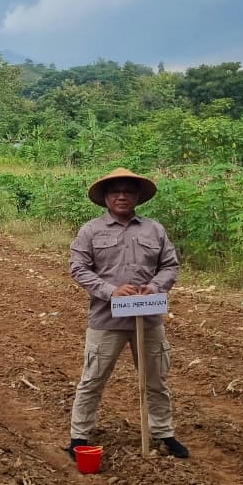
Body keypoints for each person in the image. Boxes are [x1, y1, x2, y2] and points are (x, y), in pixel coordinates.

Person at [67, 168, 189, 459]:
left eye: (128, 191)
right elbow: (78, 268)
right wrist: (110, 291)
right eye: (115, 191)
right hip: (106, 319)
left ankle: (163, 433)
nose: (122, 196)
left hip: (148, 318)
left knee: (156, 379)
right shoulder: (90, 231)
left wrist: (154, 286)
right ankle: (78, 436)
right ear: (106, 198)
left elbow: (170, 265)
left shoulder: (154, 230)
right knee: (93, 379)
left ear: (137, 197)